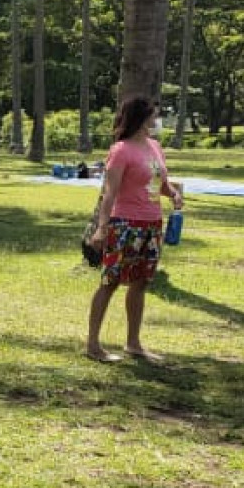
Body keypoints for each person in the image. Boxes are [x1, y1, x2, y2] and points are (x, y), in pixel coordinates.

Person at [85, 95, 184, 364]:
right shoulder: (121, 150)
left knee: (141, 283)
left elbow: (159, 182)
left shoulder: (154, 147)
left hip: (152, 224)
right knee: (110, 282)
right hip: (124, 224)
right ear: (142, 117)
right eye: (154, 115)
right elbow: (109, 192)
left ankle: (134, 344)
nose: (157, 119)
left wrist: (172, 193)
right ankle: (93, 345)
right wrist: (102, 228)